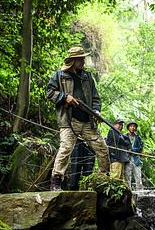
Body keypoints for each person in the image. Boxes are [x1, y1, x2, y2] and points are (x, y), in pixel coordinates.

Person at [47, 46, 110, 191]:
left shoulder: (87, 77)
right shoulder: (60, 75)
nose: (82, 61)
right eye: (79, 59)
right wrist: (65, 97)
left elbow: (95, 98)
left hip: (87, 121)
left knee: (102, 148)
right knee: (65, 149)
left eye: (82, 58)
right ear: (72, 60)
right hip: (69, 121)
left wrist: (96, 111)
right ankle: (56, 181)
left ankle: (103, 179)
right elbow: (50, 92)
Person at [125, 121, 144, 190]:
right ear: (128, 128)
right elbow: (123, 146)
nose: (133, 128)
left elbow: (140, 148)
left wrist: (132, 150)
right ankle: (128, 192)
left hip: (136, 159)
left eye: (134, 126)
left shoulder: (138, 137)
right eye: (131, 126)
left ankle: (140, 192)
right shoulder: (125, 136)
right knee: (127, 177)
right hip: (127, 159)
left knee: (138, 176)